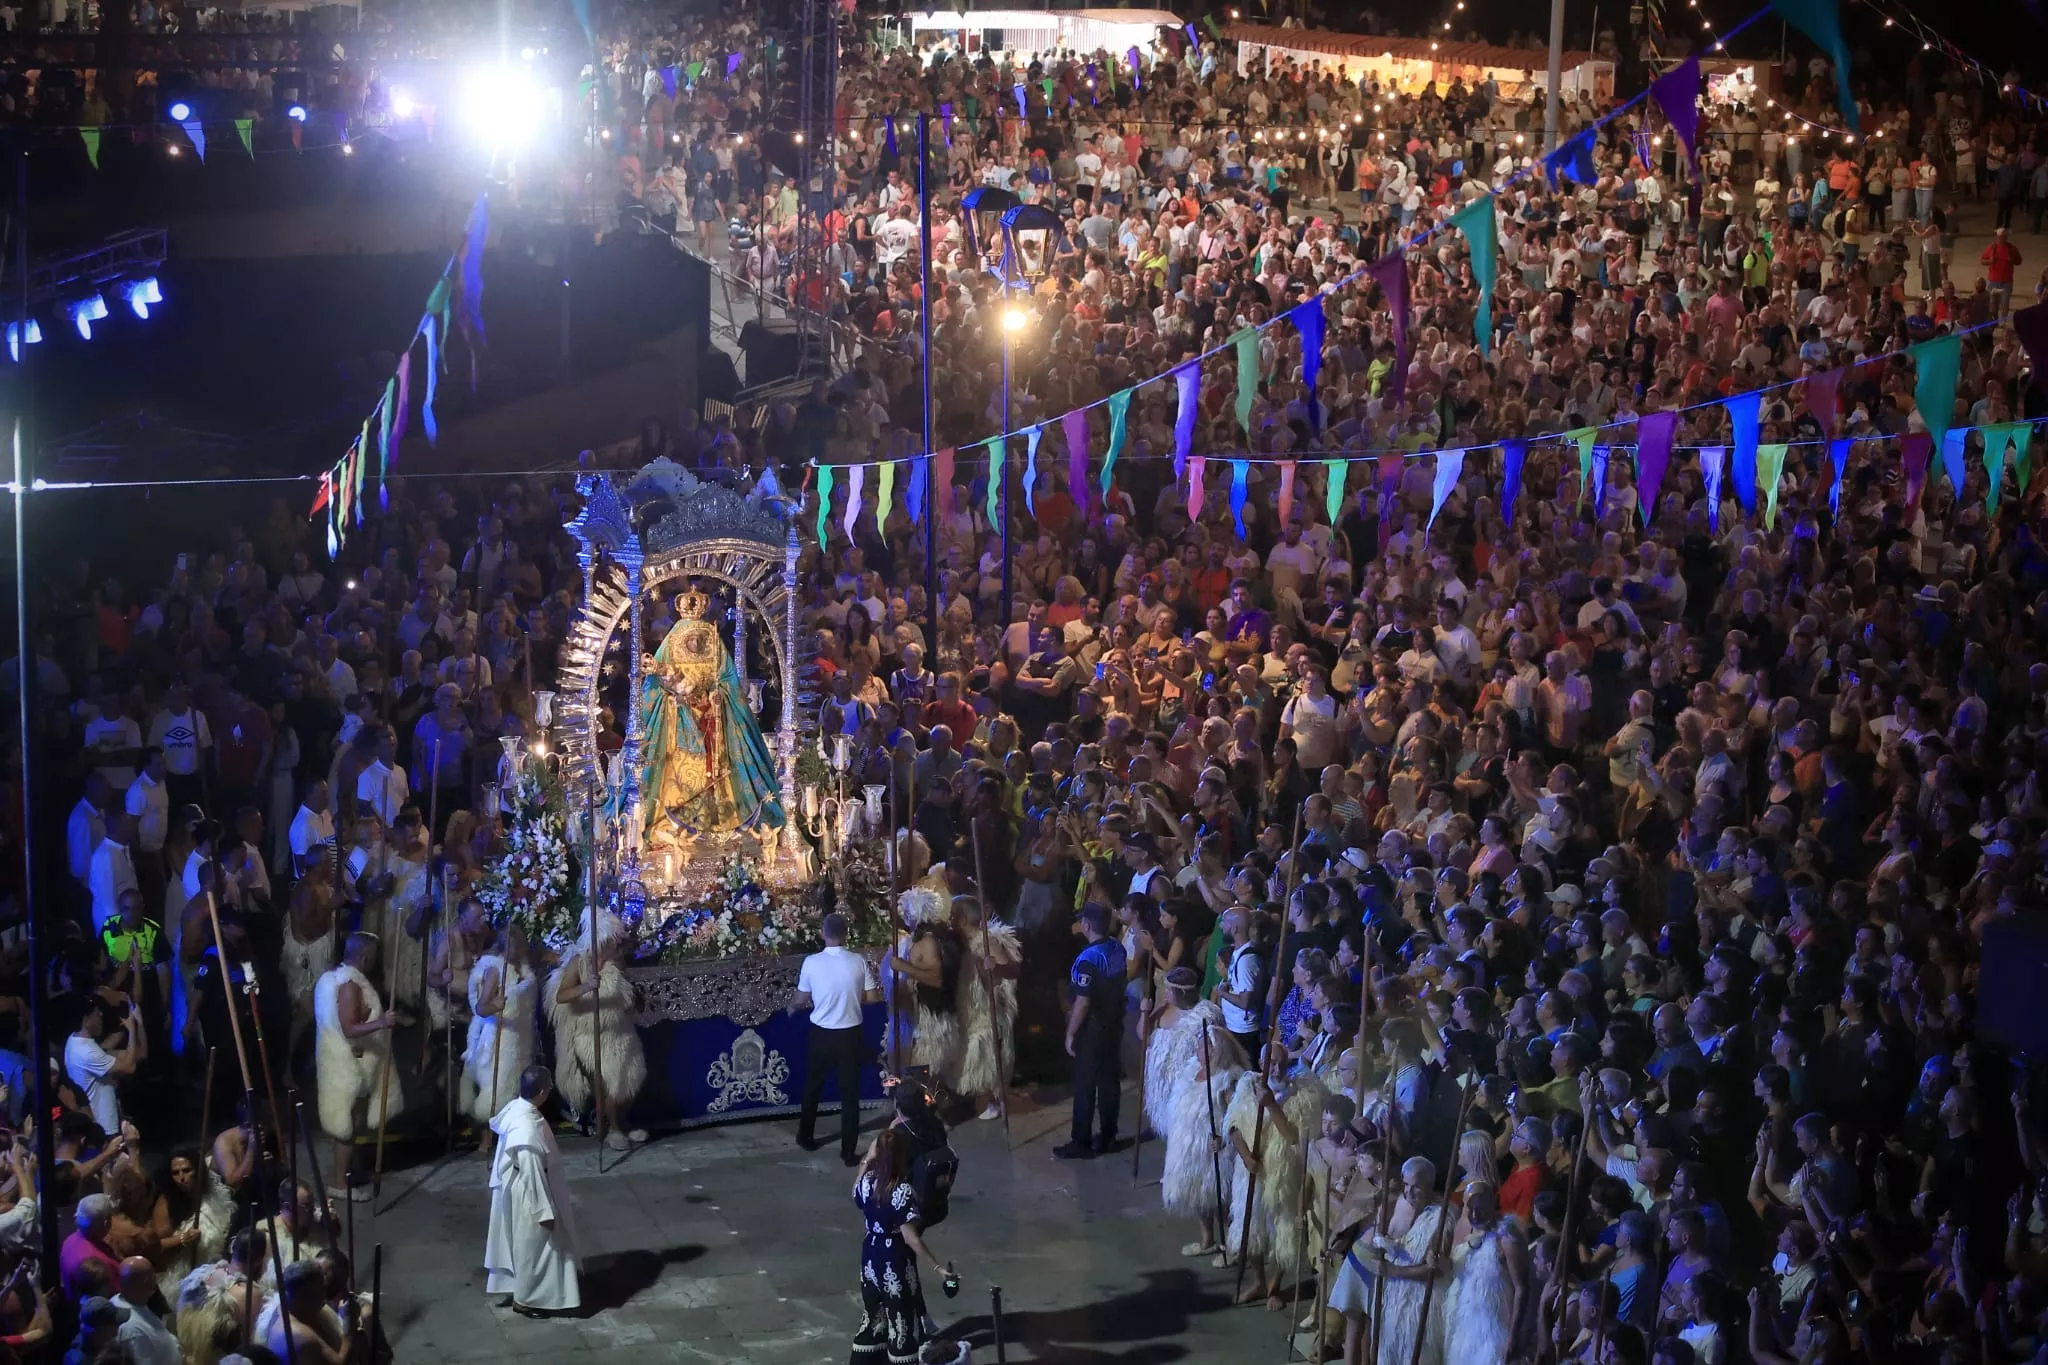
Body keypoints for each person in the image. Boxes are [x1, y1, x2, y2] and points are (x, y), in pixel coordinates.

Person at [484, 1064, 581, 1318]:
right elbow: (532, 1174)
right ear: (541, 1092)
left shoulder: (518, 1108)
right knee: (535, 1249)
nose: (550, 1091)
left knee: (536, 1248)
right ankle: (527, 1299)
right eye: (548, 1088)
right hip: (529, 1194)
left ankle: (534, 1293)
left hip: (526, 1185)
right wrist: (544, 1210)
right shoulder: (525, 1132)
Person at [546, 910, 648, 1151]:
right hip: (591, 1036)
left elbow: (626, 992)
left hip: (620, 1031)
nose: (616, 945)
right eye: (613, 940)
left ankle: (623, 1123)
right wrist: (585, 987)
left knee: (630, 1080)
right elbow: (562, 996)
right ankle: (613, 1129)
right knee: (609, 1084)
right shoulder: (579, 962)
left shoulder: (617, 962)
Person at [849, 1124, 952, 1362]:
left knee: (873, 1317)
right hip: (894, 1259)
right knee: (902, 1323)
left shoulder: (867, 1182)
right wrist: (938, 1269)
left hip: (871, 1256)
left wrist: (867, 1160)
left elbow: (854, 1192)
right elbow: (910, 1237)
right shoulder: (901, 1191)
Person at [312, 933, 401, 1202]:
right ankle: (339, 1183)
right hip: (350, 1066)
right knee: (347, 1126)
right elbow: (349, 1028)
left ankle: (343, 1173)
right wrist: (381, 1022)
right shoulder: (349, 985)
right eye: (373, 957)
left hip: (346, 1063)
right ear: (365, 957)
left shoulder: (332, 978)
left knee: (352, 1124)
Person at [794, 910, 881, 1165]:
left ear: (823, 933)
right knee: (849, 1094)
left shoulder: (811, 962)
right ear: (846, 934)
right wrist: (852, 998)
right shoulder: (858, 961)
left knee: (813, 1086)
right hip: (850, 1034)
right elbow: (874, 998)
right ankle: (848, 1151)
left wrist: (793, 1007)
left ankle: (806, 1137)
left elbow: (801, 998)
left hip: (821, 1034)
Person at [1055, 903, 1128, 1160]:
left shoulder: (1087, 959)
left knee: (1085, 1084)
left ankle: (1081, 1142)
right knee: (1109, 1082)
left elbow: (1083, 1001)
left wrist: (1071, 1032)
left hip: (1093, 1029)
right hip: (1114, 1024)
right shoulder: (1117, 948)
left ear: (1086, 925)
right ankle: (1108, 1136)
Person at [466, 922, 541, 1158]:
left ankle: (508, 1137)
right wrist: (495, 1005)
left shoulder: (522, 968)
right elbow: (481, 1008)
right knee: (496, 1089)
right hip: (499, 1036)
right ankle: (486, 1141)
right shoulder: (494, 969)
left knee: (513, 1088)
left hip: (520, 1037)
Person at [64, 992, 142, 1138]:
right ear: (86, 1020)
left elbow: (102, 1050)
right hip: (104, 1126)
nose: (100, 1015)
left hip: (101, 1122)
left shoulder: (74, 1040)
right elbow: (129, 1067)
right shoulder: (87, 1052)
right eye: (96, 1013)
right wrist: (132, 1030)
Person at [113, 1255, 182, 1365]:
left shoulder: (138, 1303)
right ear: (146, 1282)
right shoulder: (131, 1329)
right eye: (152, 1276)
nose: (155, 1281)